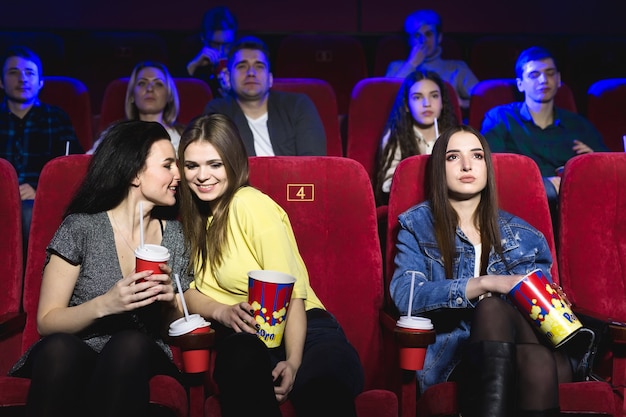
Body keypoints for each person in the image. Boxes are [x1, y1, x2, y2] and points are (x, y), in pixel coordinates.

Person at [389, 125, 588, 417]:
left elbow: (542, 321)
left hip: (537, 347)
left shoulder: (525, 235)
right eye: (453, 157)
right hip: (458, 358)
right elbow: (407, 296)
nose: (467, 165)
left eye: (477, 156)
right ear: (438, 169)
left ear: (487, 167)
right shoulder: (416, 226)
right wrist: (486, 283)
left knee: (515, 332)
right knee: (525, 348)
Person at [177, 113, 363, 417]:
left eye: (214, 164)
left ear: (233, 163)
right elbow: (185, 293)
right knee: (238, 355)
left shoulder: (248, 203)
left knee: (324, 391)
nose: (202, 175)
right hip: (249, 342)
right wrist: (221, 311)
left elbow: (293, 295)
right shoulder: (194, 223)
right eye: (192, 165)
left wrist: (293, 362)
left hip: (307, 332)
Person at [9, 120, 192, 417]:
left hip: (140, 351)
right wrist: (107, 303)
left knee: (129, 342)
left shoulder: (175, 236)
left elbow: (174, 325)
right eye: (168, 165)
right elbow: (47, 321)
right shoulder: (82, 227)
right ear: (134, 173)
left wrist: (170, 299)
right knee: (59, 350)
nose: (179, 175)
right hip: (78, 348)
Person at [480, 46, 608, 224]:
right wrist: (545, 186)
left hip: (576, 212)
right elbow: (492, 171)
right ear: (520, 84)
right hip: (518, 213)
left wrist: (594, 162)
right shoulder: (500, 119)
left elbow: (610, 175)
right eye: (534, 75)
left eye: (550, 73)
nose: (543, 80)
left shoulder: (579, 125)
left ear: (559, 79)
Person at [0, 45, 82, 258]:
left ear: (40, 82)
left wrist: (40, 191)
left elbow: (72, 168)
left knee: (27, 211)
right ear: (1, 82)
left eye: (29, 73)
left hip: (39, 200)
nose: (22, 78)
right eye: (13, 72)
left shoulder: (56, 117)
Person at [204, 36, 327, 156]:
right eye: (242, 66)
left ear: (270, 79)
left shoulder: (298, 105)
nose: (251, 73)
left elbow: (314, 163)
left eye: (259, 66)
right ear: (228, 78)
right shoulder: (218, 112)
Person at [374, 69, 459, 204]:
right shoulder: (396, 137)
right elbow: (387, 185)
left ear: (442, 102)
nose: (427, 103)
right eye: (417, 97)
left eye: (434, 96)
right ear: (407, 105)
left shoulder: (456, 137)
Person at [385, 10, 478, 110]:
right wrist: (412, 64)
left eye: (428, 34)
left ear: (439, 38)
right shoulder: (396, 67)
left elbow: (483, 101)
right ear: (409, 40)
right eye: (417, 35)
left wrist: (462, 103)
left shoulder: (457, 68)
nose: (423, 40)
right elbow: (387, 101)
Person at [89, 61, 184, 153]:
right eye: (142, 83)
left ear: (169, 96)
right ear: (132, 95)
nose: (150, 89)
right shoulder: (113, 136)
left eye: (158, 84)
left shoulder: (184, 138)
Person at [186, 5, 238, 98]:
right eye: (215, 44)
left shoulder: (241, 62)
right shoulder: (189, 54)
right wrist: (193, 65)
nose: (221, 51)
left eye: (227, 46)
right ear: (203, 38)